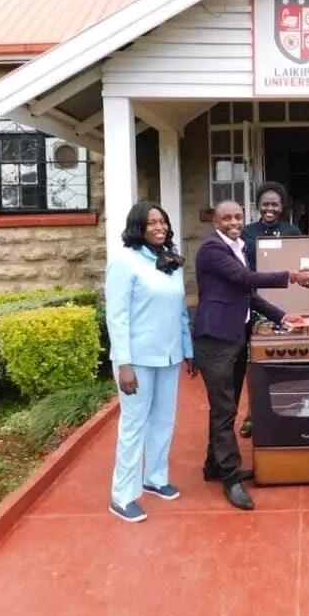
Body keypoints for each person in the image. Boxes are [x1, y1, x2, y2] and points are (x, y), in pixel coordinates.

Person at [193, 200, 309, 510]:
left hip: (234, 336)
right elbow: (247, 280)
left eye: (237, 216)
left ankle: (213, 466)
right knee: (224, 410)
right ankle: (231, 478)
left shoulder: (238, 247)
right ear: (215, 220)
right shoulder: (212, 249)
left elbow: (248, 295)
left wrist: (284, 317)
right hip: (215, 339)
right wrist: (292, 275)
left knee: (228, 405)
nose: (234, 221)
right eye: (226, 217)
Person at [104, 200, 193, 523]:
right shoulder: (124, 263)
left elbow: (180, 309)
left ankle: (155, 477)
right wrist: (123, 363)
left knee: (164, 419)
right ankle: (122, 495)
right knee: (133, 424)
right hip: (137, 359)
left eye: (163, 222)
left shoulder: (171, 261)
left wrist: (187, 350)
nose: (159, 227)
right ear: (138, 228)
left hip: (168, 355)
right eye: (152, 223)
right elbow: (117, 317)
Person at [238, 181, 301, 438]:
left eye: (274, 204)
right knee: (256, 362)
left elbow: (298, 264)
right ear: (258, 206)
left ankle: (290, 408)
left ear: (282, 206)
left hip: (286, 302)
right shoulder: (246, 232)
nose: (270, 208)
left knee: (288, 357)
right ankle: (254, 413)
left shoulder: (293, 231)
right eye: (265, 204)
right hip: (255, 302)